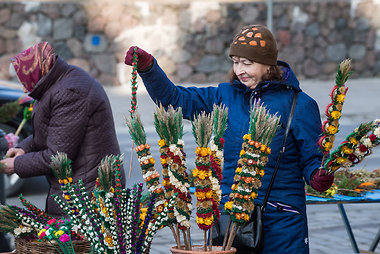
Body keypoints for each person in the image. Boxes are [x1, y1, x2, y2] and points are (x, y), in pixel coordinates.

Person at [124, 25, 334, 253]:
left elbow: (312, 158)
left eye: (247, 63)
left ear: (268, 64)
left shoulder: (298, 104)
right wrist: (149, 69)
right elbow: (175, 99)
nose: (239, 69)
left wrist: (318, 175)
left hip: (282, 221)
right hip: (233, 220)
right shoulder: (224, 96)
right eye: (235, 61)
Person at [0, 42, 125, 218]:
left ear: (37, 72)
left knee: (77, 245)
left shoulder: (70, 92)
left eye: (24, 81)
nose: (23, 88)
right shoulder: (54, 82)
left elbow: (57, 157)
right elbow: (49, 133)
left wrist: (16, 165)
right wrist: (23, 149)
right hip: (78, 185)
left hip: (89, 190)